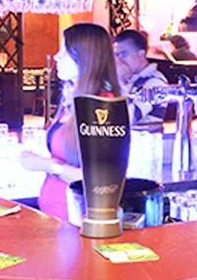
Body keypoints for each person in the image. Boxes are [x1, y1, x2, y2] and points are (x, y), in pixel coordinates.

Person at [20, 23, 121, 222]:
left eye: (65, 52)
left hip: (77, 218)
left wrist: (49, 165)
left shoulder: (102, 106)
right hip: (54, 214)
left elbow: (102, 181)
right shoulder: (71, 99)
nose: (56, 57)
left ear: (86, 58)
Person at [114, 29, 168, 126]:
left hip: (146, 135)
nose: (119, 60)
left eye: (124, 54)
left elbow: (128, 118)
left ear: (141, 54)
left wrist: (119, 80)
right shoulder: (130, 79)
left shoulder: (155, 83)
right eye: (117, 55)